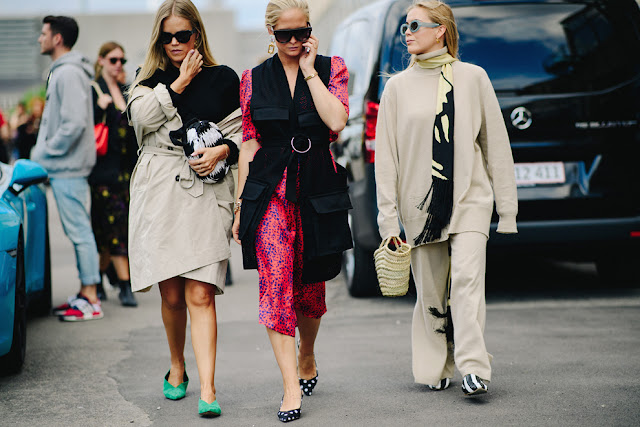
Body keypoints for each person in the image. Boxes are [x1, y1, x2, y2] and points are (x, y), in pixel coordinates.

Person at [375, 0, 518, 396]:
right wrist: (388, 222)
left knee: (468, 280)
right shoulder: (396, 89)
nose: (407, 32)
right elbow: (386, 161)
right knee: (432, 292)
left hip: (471, 197)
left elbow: (496, 146)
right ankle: (436, 362)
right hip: (418, 207)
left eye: (416, 24)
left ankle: (474, 366)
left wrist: (506, 209)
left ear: (440, 30)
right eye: (405, 25)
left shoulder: (474, 78)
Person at [233, 0, 350, 422]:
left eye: (303, 32)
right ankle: (288, 389)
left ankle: (308, 354)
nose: (296, 41)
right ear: (271, 35)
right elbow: (248, 145)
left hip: (317, 187)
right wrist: (239, 208)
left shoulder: (332, 67)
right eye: (286, 35)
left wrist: (311, 70)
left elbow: (336, 121)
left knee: (310, 290)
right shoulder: (252, 79)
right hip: (269, 194)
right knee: (276, 286)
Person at [127, 0, 241, 417]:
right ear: (160, 37)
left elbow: (243, 134)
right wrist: (178, 83)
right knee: (172, 294)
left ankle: (209, 388)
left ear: (198, 34)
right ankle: (177, 366)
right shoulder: (148, 80)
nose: (175, 43)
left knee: (201, 292)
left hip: (208, 192)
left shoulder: (225, 78)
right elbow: (140, 122)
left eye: (183, 35)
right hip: (160, 189)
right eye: (168, 35)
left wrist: (223, 150)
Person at [32, 15, 103, 322]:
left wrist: (44, 152)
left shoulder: (67, 74)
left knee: (79, 233)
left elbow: (73, 125)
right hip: (67, 167)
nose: (39, 39)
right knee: (79, 231)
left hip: (67, 167)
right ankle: (86, 292)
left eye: (43, 34)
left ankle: (90, 297)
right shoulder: (66, 72)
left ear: (57, 38)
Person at [89, 41, 139, 306]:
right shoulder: (93, 90)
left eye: (122, 60)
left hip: (125, 172)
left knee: (112, 230)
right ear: (101, 61)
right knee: (112, 228)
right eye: (113, 59)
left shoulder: (125, 91)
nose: (118, 64)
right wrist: (99, 108)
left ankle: (97, 279)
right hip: (102, 173)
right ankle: (124, 284)